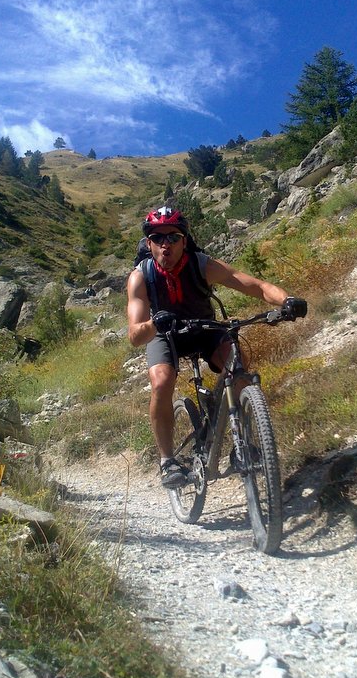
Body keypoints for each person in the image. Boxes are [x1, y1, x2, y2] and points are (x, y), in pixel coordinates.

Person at [127, 206, 307, 488]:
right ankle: (168, 462)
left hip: (203, 328)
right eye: (158, 238)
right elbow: (136, 335)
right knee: (161, 383)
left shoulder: (201, 265)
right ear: (148, 243)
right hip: (165, 334)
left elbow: (256, 286)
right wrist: (154, 323)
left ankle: (241, 443)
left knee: (237, 363)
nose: (166, 244)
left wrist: (286, 301)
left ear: (184, 241)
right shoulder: (141, 276)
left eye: (174, 237)